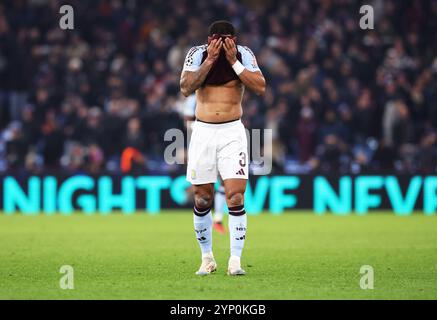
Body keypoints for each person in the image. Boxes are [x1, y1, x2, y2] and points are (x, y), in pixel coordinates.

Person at [180, 20, 266, 276]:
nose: (223, 43)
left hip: (232, 131)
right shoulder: (197, 54)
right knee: (202, 198)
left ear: (235, 40)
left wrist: (233, 61)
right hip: (203, 131)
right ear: (209, 40)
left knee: (236, 197)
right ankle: (207, 258)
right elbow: (185, 88)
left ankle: (235, 260)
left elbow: (260, 87)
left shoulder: (244, 55)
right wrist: (210, 61)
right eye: (218, 39)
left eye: (228, 39)